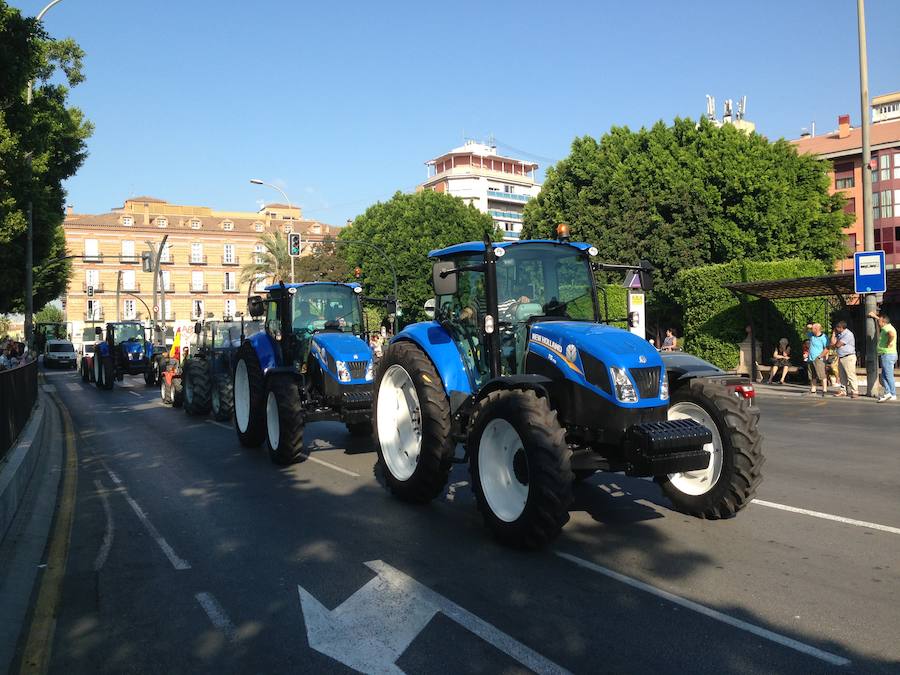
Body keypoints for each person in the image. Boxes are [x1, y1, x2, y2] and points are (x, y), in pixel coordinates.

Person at [868, 311, 897, 402]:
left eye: (879, 321)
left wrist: (888, 343)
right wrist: (875, 316)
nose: (878, 323)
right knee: (884, 375)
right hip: (888, 354)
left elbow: (891, 335)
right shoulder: (888, 326)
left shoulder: (886, 328)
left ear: (883, 322)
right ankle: (888, 392)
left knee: (888, 376)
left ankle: (892, 393)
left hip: (887, 354)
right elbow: (881, 320)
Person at [831, 321, 858, 399]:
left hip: (848, 357)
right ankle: (843, 391)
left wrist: (834, 345)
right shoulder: (839, 334)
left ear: (841, 328)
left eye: (837, 328)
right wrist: (833, 334)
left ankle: (855, 391)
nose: (835, 329)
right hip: (841, 357)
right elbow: (833, 343)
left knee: (850, 375)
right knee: (842, 376)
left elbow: (838, 344)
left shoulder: (848, 334)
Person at [805, 323, 828, 397]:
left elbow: (827, 348)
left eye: (813, 329)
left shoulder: (824, 337)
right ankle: (813, 389)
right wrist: (807, 327)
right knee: (812, 375)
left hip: (818, 358)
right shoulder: (812, 335)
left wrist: (820, 356)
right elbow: (804, 332)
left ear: (817, 329)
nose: (811, 330)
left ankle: (824, 389)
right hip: (811, 358)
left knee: (821, 375)